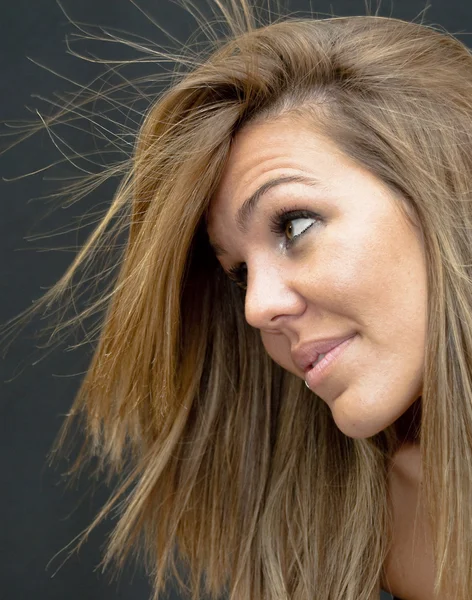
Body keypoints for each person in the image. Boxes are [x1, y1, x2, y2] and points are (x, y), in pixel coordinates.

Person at [3, 0, 472, 598]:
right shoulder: (394, 519)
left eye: (295, 227)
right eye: (239, 273)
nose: (257, 309)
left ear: (451, 190)